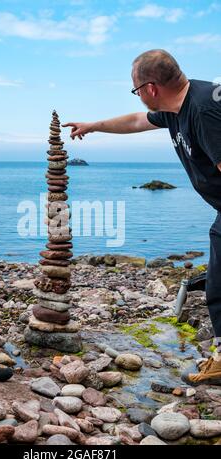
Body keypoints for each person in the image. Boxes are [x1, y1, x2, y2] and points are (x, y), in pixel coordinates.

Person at [63, 49, 221, 386]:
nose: (138, 97)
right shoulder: (178, 107)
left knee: (218, 287)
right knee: (217, 284)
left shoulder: (204, 109)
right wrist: (95, 126)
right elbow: (137, 121)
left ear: (150, 88)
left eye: (136, 90)